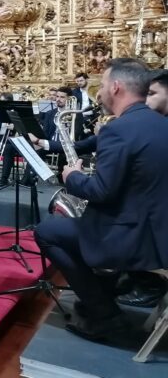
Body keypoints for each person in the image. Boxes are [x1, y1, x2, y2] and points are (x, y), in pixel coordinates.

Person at [34, 58, 168, 341]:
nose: (100, 92)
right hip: (156, 229)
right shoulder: (159, 123)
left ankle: (105, 316)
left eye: (103, 85)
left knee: (46, 232)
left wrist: (72, 176)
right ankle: (102, 292)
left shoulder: (119, 128)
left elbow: (101, 192)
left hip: (133, 237)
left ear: (117, 87)